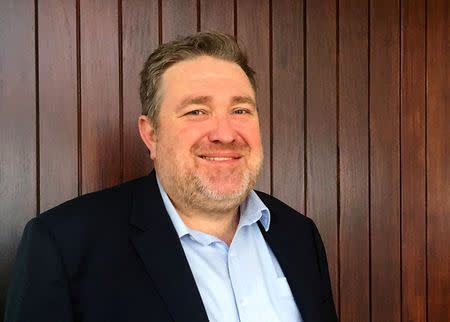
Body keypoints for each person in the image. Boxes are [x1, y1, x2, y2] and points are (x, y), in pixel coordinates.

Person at [4, 32, 337, 322]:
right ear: (151, 135)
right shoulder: (64, 245)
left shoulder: (299, 236)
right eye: (197, 111)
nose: (225, 133)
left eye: (240, 110)